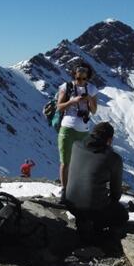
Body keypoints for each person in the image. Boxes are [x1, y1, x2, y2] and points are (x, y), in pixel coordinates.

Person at [65, 122, 128, 234]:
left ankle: (84, 222)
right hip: (93, 210)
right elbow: (116, 194)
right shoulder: (113, 158)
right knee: (122, 214)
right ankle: (100, 234)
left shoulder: (76, 145)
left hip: (70, 204)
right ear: (109, 140)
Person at [57, 63, 98, 195]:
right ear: (74, 75)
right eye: (78, 78)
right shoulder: (66, 87)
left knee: (82, 162)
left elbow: (94, 110)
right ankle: (64, 189)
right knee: (65, 161)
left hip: (83, 130)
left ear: (88, 78)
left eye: (84, 79)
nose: (81, 81)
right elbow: (59, 107)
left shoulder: (92, 89)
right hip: (67, 128)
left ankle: (77, 189)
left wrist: (89, 98)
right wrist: (72, 101)